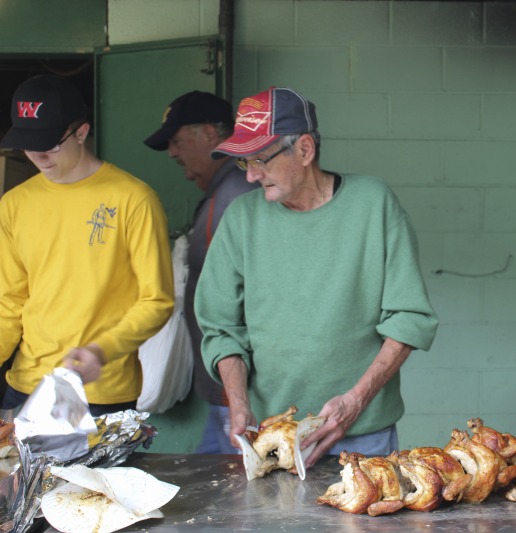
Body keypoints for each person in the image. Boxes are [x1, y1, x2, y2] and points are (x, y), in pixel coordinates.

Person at [195, 86, 438, 466]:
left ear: (305, 150)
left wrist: (355, 402)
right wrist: (239, 405)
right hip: (272, 433)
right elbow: (221, 327)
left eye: (261, 159)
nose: (251, 176)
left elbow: (409, 318)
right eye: (245, 163)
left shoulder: (372, 203)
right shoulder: (242, 218)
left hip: (364, 434)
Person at [0, 74, 174, 416]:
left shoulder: (133, 199)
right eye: (27, 143)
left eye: (49, 143)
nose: (38, 155)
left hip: (99, 392)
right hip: (26, 387)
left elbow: (157, 300)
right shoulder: (14, 204)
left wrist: (102, 349)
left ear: (81, 132)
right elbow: (9, 301)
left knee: (94, 475)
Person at [144, 91, 258, 454]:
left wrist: (239, 393)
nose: (173, 153)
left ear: (210, 134)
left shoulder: (239, 193)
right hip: (225, 390)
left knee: (235, 498)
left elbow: (250, 296)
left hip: (237, 392)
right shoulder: (224, 191)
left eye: (177, 141)